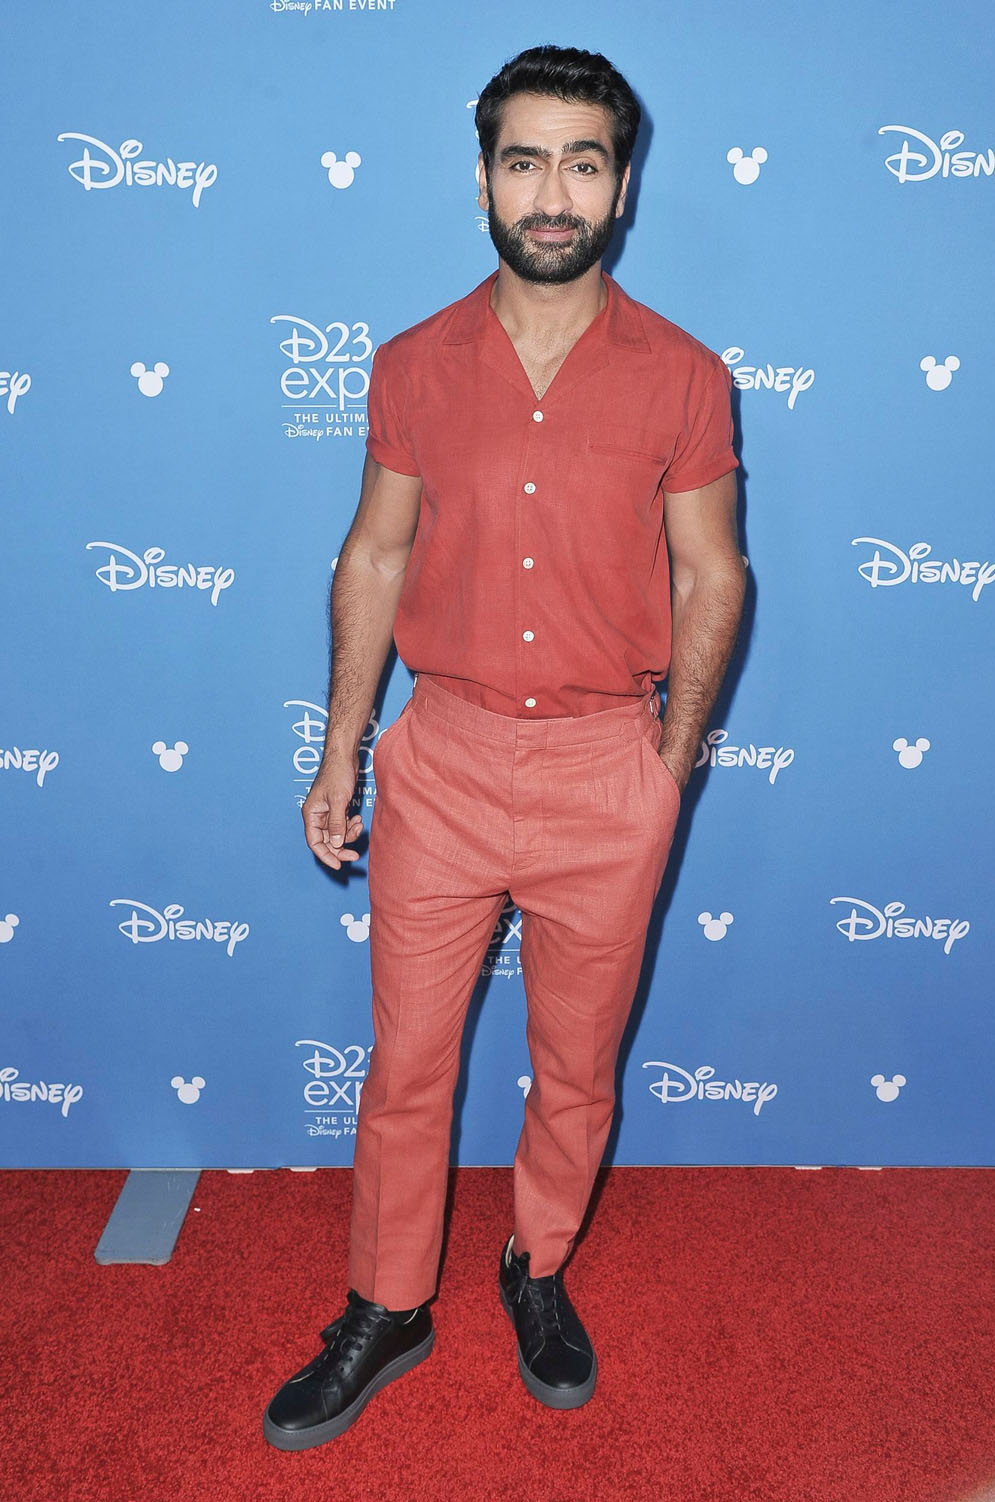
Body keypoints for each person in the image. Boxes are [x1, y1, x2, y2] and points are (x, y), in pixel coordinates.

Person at [263, 43, 744, 1451]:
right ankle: (389, 1299)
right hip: (446, 759)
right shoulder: (413, 362)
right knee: (407, 1061)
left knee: (578, 1066)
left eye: (582, 161)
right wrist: (342, 747)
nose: (553, 191)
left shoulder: (686, 377)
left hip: (610, 764)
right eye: (524, 160)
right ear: (483, 177)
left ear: (623, 183)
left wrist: (670, 769)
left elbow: (715, 576)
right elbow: (373, 550)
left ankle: (534, 1263)